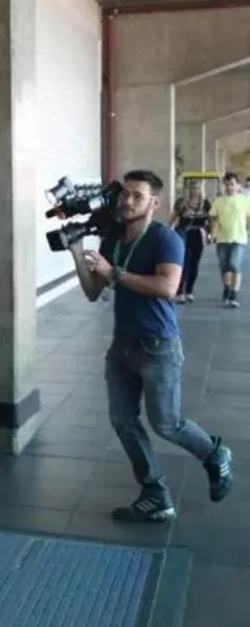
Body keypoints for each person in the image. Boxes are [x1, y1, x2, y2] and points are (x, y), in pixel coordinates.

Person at [71, 169, 233, 522]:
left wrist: (113, 272)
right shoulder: (112, 241)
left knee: (167, 424)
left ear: (154, 203)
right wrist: (76, 252)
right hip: (122, 346)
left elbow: (167, 288)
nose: (127, 201)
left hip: (158, 346)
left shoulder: (165, 238)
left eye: (137, 196)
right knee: (123, 421)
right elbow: (91, 290)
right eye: (124, 194)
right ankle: (155, 492)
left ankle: (214, 455)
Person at [208, 172, 250, 307]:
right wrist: (212, 233)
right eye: (226, 185)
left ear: (238, 185)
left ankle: (234, 293)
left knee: (234, 264)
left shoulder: (245, 200)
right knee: (224, 266)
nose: (229, 187)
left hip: (239, 239)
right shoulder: (219, 201)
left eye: (232, 184)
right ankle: (227, 287)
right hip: (222, 239)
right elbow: (213, 218)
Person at [168, 182, 211, 303]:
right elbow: (173, 218)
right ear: (188, 190)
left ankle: (189, 291)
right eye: (193, 188)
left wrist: (210, 234)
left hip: (198, 234)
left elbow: (210, 220)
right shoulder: (181, 203)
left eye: (197, 188)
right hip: (183, 234)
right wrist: (168, 232)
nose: (195, 191)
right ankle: (180, 291)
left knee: (194, 263)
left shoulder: (205, 203)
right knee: (184, 263)